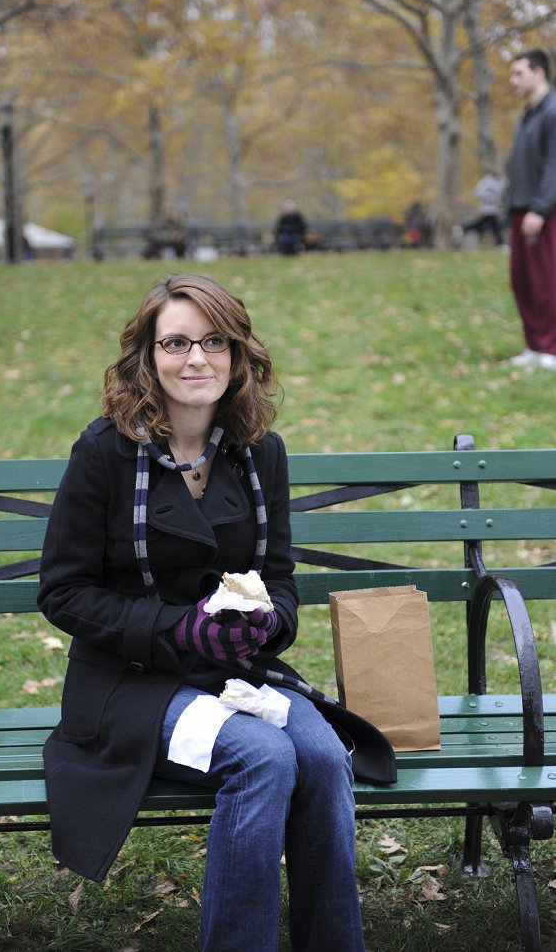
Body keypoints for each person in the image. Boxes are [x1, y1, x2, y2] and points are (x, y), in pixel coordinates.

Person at [38, 272, 395, 952]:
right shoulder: (104, 454)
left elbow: (279, 577)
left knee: (321, 756)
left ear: (236, 356)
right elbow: (63, 591)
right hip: (128, 683)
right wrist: (175, 626)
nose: (194, 358)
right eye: (174, 342)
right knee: (261, 757)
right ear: (146, 356)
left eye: (213, 341)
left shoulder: (260, 454)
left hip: (233, 669)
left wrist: (267, 621)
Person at [506, 48, 556, 369]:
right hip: (520, 209)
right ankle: (534, 345)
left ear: (539, 73)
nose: (513, 81)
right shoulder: (529, 114)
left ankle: (551, 348)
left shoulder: (553, 112)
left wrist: (540, 208)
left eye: (518, 74)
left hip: (543, 212)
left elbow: (555, 166)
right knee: (522, 279)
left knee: (546, 280)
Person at [462, 168, 506, 246]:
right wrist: (489, 197)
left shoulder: (498, 182)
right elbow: (478, 191)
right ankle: (500, 243)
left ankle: (464, 228)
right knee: (494, 227)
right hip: (487, 209)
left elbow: (501, 192)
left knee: (481, 226)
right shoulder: (486, 181)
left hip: (493, 209)